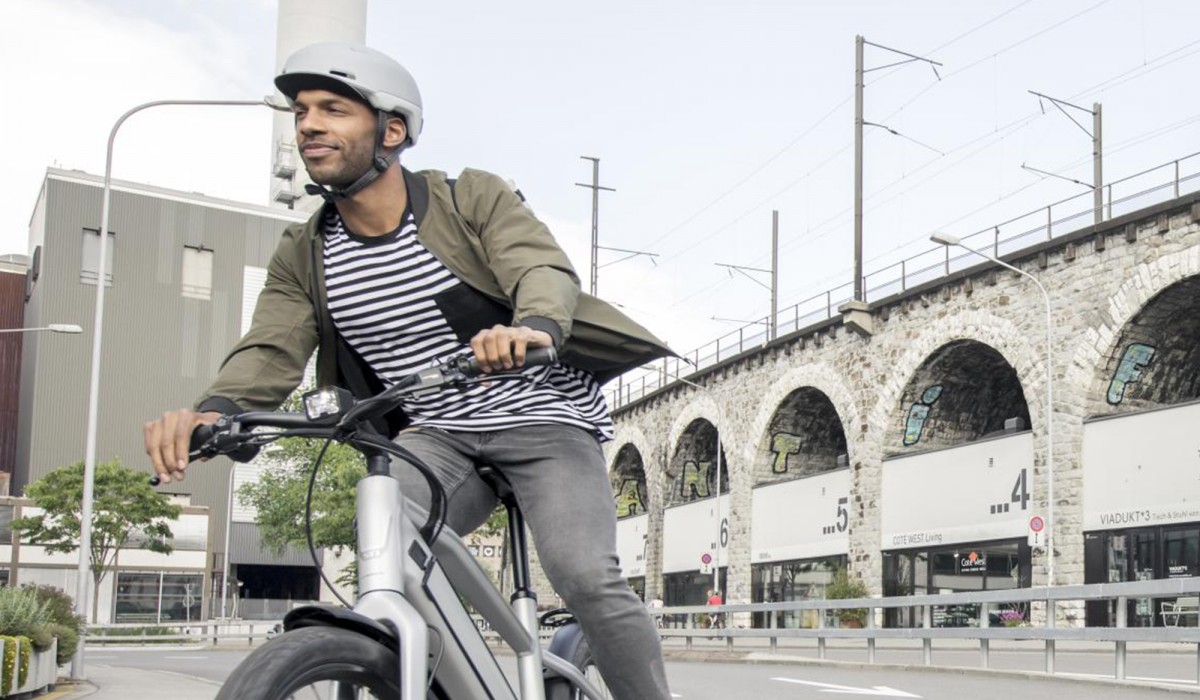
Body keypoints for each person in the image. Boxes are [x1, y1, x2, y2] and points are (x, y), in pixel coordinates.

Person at [143, 41, 673, 699]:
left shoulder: (469, 199)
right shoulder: (305, 252)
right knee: (385, 559)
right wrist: (215, 412)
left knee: (584, 574)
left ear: (391, 130)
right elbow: (270, 348)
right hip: (436, 433)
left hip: (542, 417)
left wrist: (530, 326)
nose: (308, 124)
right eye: (302, 111)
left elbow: (539, 267)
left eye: (333, 109)